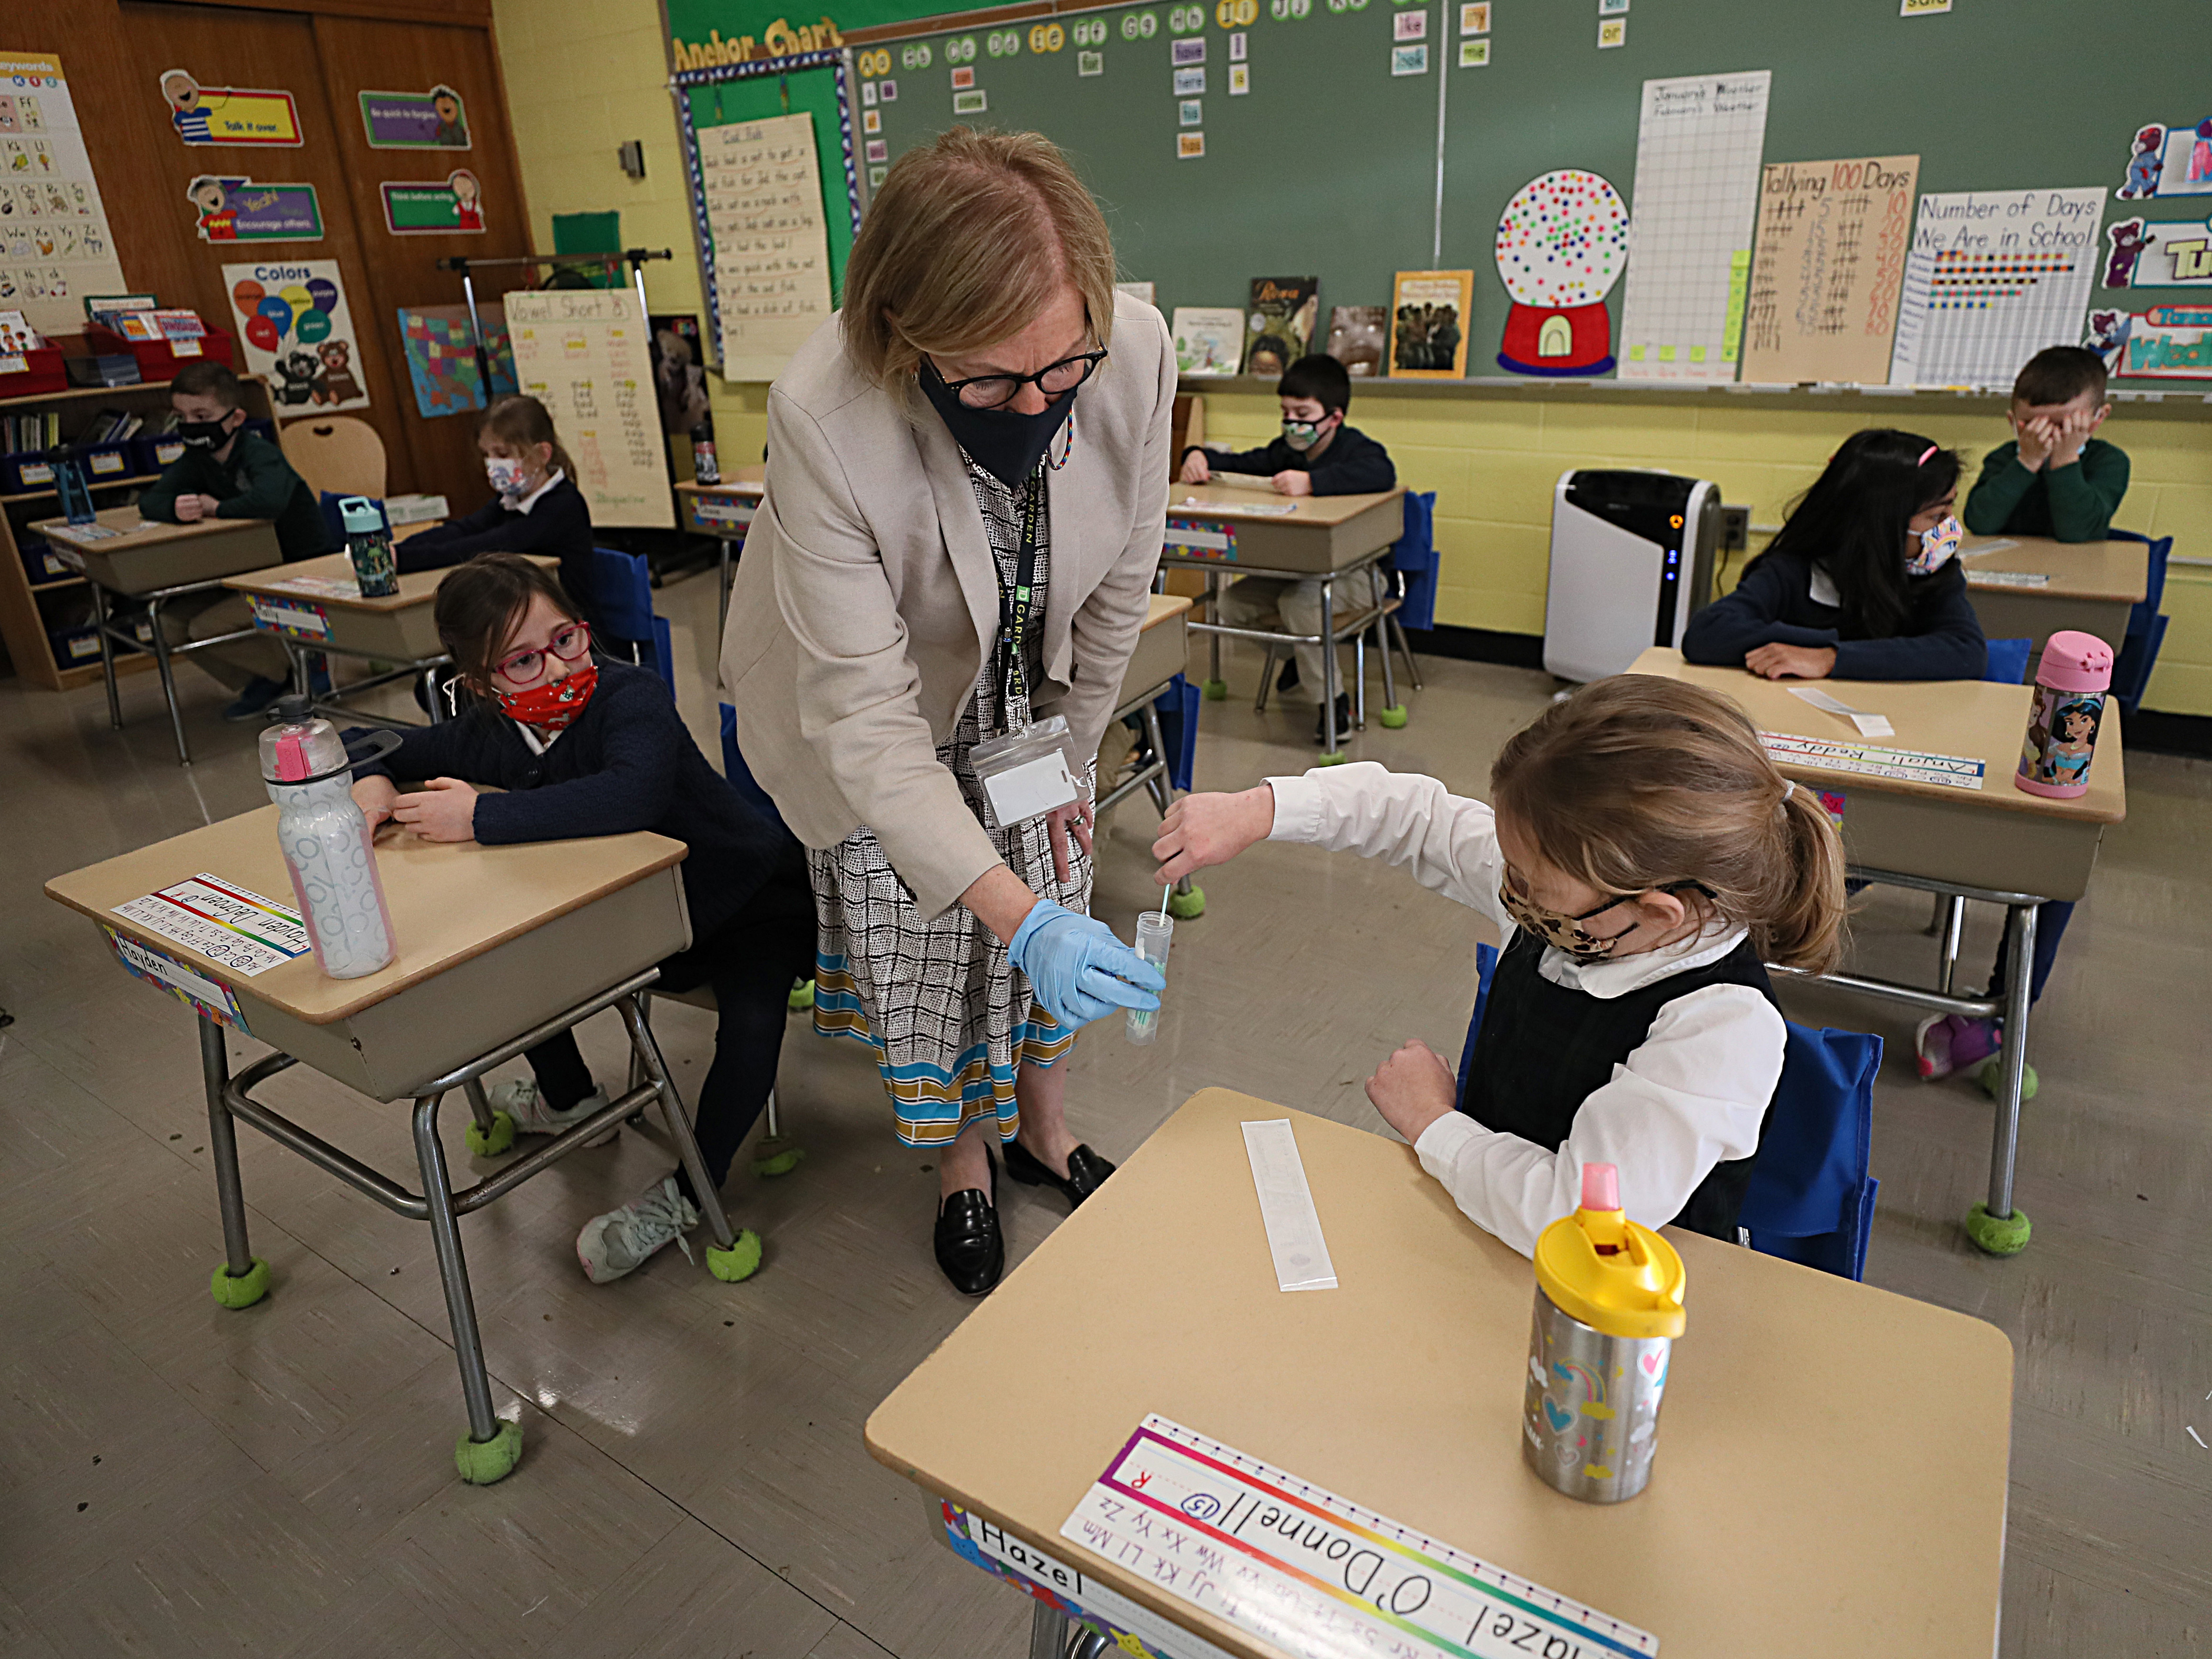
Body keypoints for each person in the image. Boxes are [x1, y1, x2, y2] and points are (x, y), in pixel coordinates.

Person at [719, 127, 1169, 1296]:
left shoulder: (1130, 350)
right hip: (881, 703)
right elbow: (866, 720)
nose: (1034, 403)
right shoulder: (827, 413)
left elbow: (1121, 581)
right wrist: (1016, 913)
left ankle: (1042, 1130)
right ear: (901, 338)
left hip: (1024, 697)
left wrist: (1069, 764)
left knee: (1052, 888)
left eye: (1059, 369)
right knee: (929, 937)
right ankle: (959, 1160)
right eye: (986, 379)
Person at [1151, 676, 1846, 1258]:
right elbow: (1420, 820)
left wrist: (1433, 1122)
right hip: (1478, 1229)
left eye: (1532, 885)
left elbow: (1579, 1226)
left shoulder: (1719, 1030)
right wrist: (1264, 808)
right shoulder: (1588, 907)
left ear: (1659, 911)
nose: (1511, 890)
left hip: (1598, 1310)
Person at [350, 554, 815, 1284]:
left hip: (744, 901)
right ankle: (570, 1101)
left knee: (753, 1025)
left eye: (566, 639)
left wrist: (480, 814)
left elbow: (627, 795)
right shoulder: (489, 731)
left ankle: (692, 1193)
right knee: (519, 955)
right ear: (480, 684)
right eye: (524, 660)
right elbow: (369, 743)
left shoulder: (631, 696)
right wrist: (374, 781)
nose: (560, 668)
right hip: (633, 924)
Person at [1179, 353, 1398, 740]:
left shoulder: (1356, 449)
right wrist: (1196, 455)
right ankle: (1300, 656)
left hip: (1363, 577)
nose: (1292, 423)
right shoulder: (1286, 450)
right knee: (1231, 603)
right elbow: (1245, 463)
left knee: (1300, 606)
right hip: (1303, 574)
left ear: (1334, 417)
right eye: (1285, 412)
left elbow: (1382, 472)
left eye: (1303, 413)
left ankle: (1334, 704)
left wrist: (1312, 482)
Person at [1681, 429, 1985, 682]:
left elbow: (1966, 652)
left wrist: (1832, 658)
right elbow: (1707, 634)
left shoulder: (1933, 573)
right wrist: (1817, 646)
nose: (1949, 528)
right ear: (1879, 524)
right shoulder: (1792, 571)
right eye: (1936, 515)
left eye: (1950, 510)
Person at [137, 360, 333, 721]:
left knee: (205, 628)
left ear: (237, 419)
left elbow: (269, 502)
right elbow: (150, 501)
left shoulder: (261, 455)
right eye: (182, 417)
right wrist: (175, 508)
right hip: (245, 572)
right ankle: (268, 678)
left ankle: (295, 674)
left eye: (201, 416)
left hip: (297, 571)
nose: (190, 427)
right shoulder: (197, 459)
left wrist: (216, 508)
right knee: (166, 624)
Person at [400, 394, 599, 633]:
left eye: (502, 455)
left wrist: (405, 560)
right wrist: (400, 552)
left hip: (570, 632)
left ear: (541, 454)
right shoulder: (510, 501)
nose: (492, 464)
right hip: (523, 623)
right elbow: (465, 529)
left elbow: (489, 545)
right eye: (487, 455)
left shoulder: (562, 506)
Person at [1963, 346, 2128, 544]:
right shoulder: (2004, 458)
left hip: (2078, 567)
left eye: (2062, 425)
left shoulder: (2108, 461)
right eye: (2033, 424)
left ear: (2098, 418)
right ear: (2012, 420)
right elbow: (1980, 524)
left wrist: (2065, 461)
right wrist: (2026, 462)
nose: (2046, 434)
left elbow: (2078, 533)